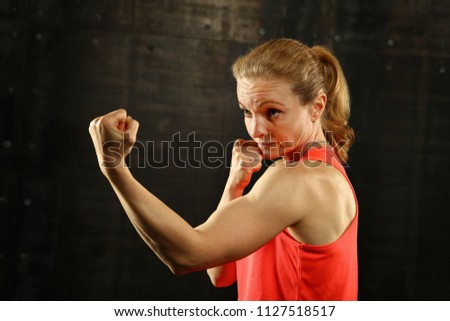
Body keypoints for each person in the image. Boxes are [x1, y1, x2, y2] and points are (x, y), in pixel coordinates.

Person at [88, 38, 358, 301]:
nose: (256, 130)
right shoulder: (311, 167)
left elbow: (186, 256)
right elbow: (220, 273)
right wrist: (234, 186)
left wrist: (114, 168)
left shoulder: (303, 178)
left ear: (317, 106)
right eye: (246, 111)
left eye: (272, 112)